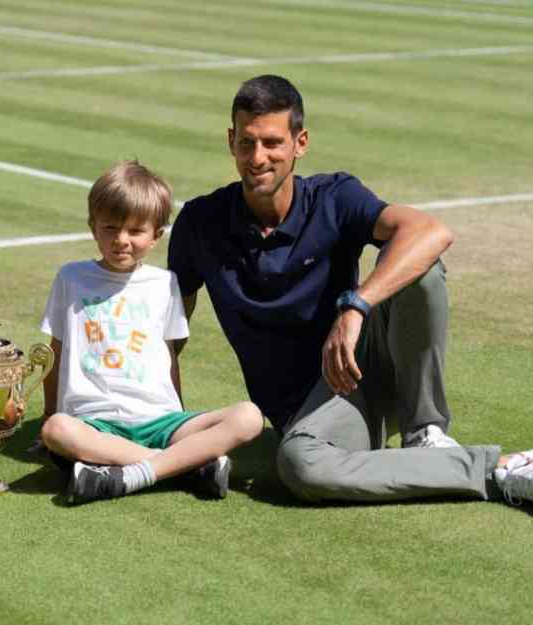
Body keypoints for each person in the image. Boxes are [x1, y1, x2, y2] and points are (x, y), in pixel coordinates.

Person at [167, 74, 533, 505]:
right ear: (230, 141)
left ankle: (427, 435)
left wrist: (355, 306)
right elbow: (170, 338)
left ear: (300, 143)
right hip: (318, 411)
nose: (257, 157)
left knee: (423, 268)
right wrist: (163, 432)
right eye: (246, 143)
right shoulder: (199, 224)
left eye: (272, 143)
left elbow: (431, 231)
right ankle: (501, 468)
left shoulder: (334, 197)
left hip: (371, 362)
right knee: (301, 464)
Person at [39, 160, 264, 505]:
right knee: (56, 429)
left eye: (135, 231)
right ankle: (187, 467)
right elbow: (55, 350)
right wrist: (48, 413)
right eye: (110, 228)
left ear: (157, 235)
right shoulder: (71, 277)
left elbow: (169, 356)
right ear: (92, 226)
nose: (121, 240)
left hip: (162, 422)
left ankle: (129, 472)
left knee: (249, 417)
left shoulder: (165, 284)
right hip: (95, 422)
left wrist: (180, 417)